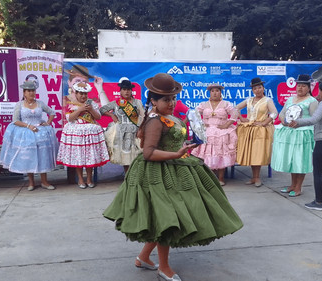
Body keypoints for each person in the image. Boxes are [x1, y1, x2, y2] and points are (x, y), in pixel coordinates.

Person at [103, 73, 243, 281]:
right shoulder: (154, 122)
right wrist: (177, 154)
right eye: (165, 99)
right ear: (153, 100)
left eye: (173, 98)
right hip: (155, 173)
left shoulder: (170, 118)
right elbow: (148, 152)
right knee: (167, 218)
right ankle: (164, 267)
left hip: (175, 166)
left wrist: (185, 147)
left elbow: (173, 141)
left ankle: (143, 257)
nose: (171, 102)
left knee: (166, 218)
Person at [289, 79, 322, 211]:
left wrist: (298, 122)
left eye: (319, 90)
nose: (318, 92)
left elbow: (314, 119)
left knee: (318, 173)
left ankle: (318, 202)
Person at [0, 81, 59, 191]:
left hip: (40, 133)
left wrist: (48, 122)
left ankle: (44, 181)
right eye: (29, 91)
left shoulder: (40, 103)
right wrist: (28, 126)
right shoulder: (19, 105)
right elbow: (16, 121)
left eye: (33, 90)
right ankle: (31, 182)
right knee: (28, 156)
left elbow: (52, 112)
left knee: (42, 156)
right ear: (24, 93)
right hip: (25, 133)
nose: (31, 93)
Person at [271, 74, 318, 197]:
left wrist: (300, 125)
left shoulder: (312, 101)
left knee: (300, 160)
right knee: (292, 160)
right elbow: (282, 113)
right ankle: (292, 184)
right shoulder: (291, 99)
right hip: (290, 133)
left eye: (303, 86)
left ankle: (298, 187)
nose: (300, 88)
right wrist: (283, 121)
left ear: (309, 88)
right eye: (298, 86)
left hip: (303, 134)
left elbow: (314, 119)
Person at [57, 82, 109, 188]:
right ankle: (80, 179)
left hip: (89, 133)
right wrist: (80, 109)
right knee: (79, 157)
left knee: (90, 156)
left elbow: (98, 117)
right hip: (76, 133)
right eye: (81, 93)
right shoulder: (71, 104)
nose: (83, 96)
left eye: (85, 94)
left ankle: (89, 179)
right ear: (75, 93)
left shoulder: (92, 104)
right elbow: (69, 118)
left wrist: (91, 110)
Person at [191, 83, 238, 185]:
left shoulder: (226, 104)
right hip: (207, 130)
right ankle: (211, 178)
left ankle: (221, 178)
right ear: (209, 93)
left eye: (217, 91)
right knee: (209, 153)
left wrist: (227, 124)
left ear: (220, 93)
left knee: (220, 152)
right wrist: (201, 124)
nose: (215, 93)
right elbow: (194, 114)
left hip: (221, 130)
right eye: (212, 91)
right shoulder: (203, 104)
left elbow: (234, 113)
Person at [236, 77, 278, 187]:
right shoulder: (249, 100)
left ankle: (257, 177)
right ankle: (253, 177)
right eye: (255, 88)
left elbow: (274, 113)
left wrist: (265, 122)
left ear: (263, 88)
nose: (258, 90)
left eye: (259, 87)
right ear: (252, 90)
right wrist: (241, 118)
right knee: (251, 153)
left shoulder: (267, 100)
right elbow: (235, 108)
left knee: (257, 153)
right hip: (249, 129)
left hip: (261, 130)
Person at [100, 78, 144, 173]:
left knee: (137, 156)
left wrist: (141, 129)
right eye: (124, 89)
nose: (126, 91)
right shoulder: (116, 103)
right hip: (122, 132)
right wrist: (112, 115)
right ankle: (127, 177)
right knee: (125, 157)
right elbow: (102, 110)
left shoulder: (138, 102)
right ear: (120, 91)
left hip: (135, 131)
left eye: (128, 89)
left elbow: (143, 116)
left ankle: (136, 177)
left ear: (131, 91)